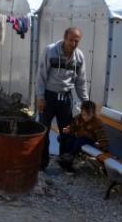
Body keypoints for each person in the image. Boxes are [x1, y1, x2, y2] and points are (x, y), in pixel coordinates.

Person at [36, 27, 89, 170]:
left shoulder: (79, 56)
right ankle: (42, 164)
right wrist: (40, 97)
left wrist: (85, 102)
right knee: (43, 130)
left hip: (66, 98)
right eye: (71, 40)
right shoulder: (50, 51)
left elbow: (81, 81)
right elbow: (41, 75)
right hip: (49, 96)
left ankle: (65, 163)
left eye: (76, 41)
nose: (73, 44)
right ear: (65, 38)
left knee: (67, 132)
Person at [59, 100, 109, 172]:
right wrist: (68, 129)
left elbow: (102, 136)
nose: (85, 117)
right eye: (84, 114)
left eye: (88, 115)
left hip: (90, 140)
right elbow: (73, 126)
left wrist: (104, 147)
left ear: (93, 114)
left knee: (79, 141)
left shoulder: (96, 123)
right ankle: (66, 157)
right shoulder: (79, 118)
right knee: (68, 138)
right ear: (81, 112)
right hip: (78, 136)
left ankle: (70, 156)